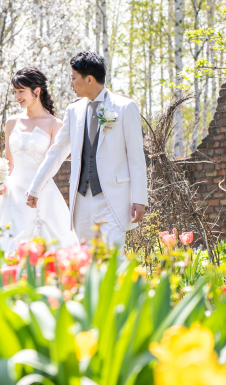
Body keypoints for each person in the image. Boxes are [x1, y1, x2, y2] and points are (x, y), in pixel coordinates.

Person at [26, 51, 148, 250]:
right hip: (81, 201)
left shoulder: (125, 108)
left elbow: (136, 157)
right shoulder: (74, 110)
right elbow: (57, 152)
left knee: (113, 261)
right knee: (88, 262)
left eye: (74, 78)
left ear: (89, 79)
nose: (71, 84)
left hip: (114, 200)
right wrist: (35, 187)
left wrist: (139, 199)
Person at [0, 67, 79, 269]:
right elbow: (10, 162)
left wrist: (36, 189)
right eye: (15, 91)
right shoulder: (11, 122)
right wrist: (0, 182)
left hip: (43, 194)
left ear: (37, 91)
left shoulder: (55, 124)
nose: (17, 96)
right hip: (12, 196)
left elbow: (53, 163)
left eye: (21, 91)